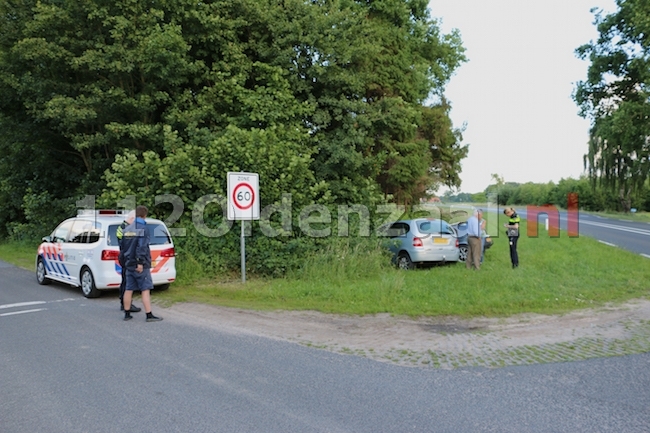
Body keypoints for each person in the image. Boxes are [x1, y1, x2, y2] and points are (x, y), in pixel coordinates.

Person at [120, 205, 162, 322]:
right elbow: (142, 247)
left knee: (128, 289)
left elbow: (123, 247)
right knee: (145, 289)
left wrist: (127, 261)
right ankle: (149, 315)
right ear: (144, 215)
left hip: (128, 263)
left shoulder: (127, 228)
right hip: (140, 264)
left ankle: (127, 314)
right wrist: (140, 262)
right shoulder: (143, 228)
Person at [116, 211, 140, 313]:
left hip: (124, 255)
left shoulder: (121, 227)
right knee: (128, 281)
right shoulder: (127, 228)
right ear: (132, 219)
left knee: (125, 280)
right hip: (127, 256)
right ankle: (126, 304)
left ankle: (124, 302)